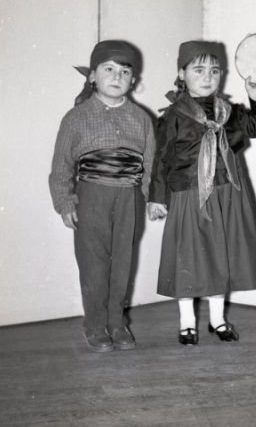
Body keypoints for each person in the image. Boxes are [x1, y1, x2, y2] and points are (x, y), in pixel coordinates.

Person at [148, 40, 256, 346]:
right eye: (199, 70)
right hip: (189, 195)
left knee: (222, 255)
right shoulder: (173, 117)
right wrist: (157, 197)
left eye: (215, 71)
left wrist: (255, 92)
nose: (207, 77)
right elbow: (161, 160)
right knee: (189, 257)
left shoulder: (228, 111)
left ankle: (217, 320)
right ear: (182, 73)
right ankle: (187, 323)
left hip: (227, 193)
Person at [49, 40, 155, 352]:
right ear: (93, 76)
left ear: (132, 81)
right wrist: (65, 202)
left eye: (125, 72)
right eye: (109, 69)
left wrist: (152, 198)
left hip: (129, 200)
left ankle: (117, 323)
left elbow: (151, 165)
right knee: (94, 264)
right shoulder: (76, 117)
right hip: (91, 198)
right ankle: (95, 325)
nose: (117, 76)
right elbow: (61, 166)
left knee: (122, 263)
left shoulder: (142, 118)